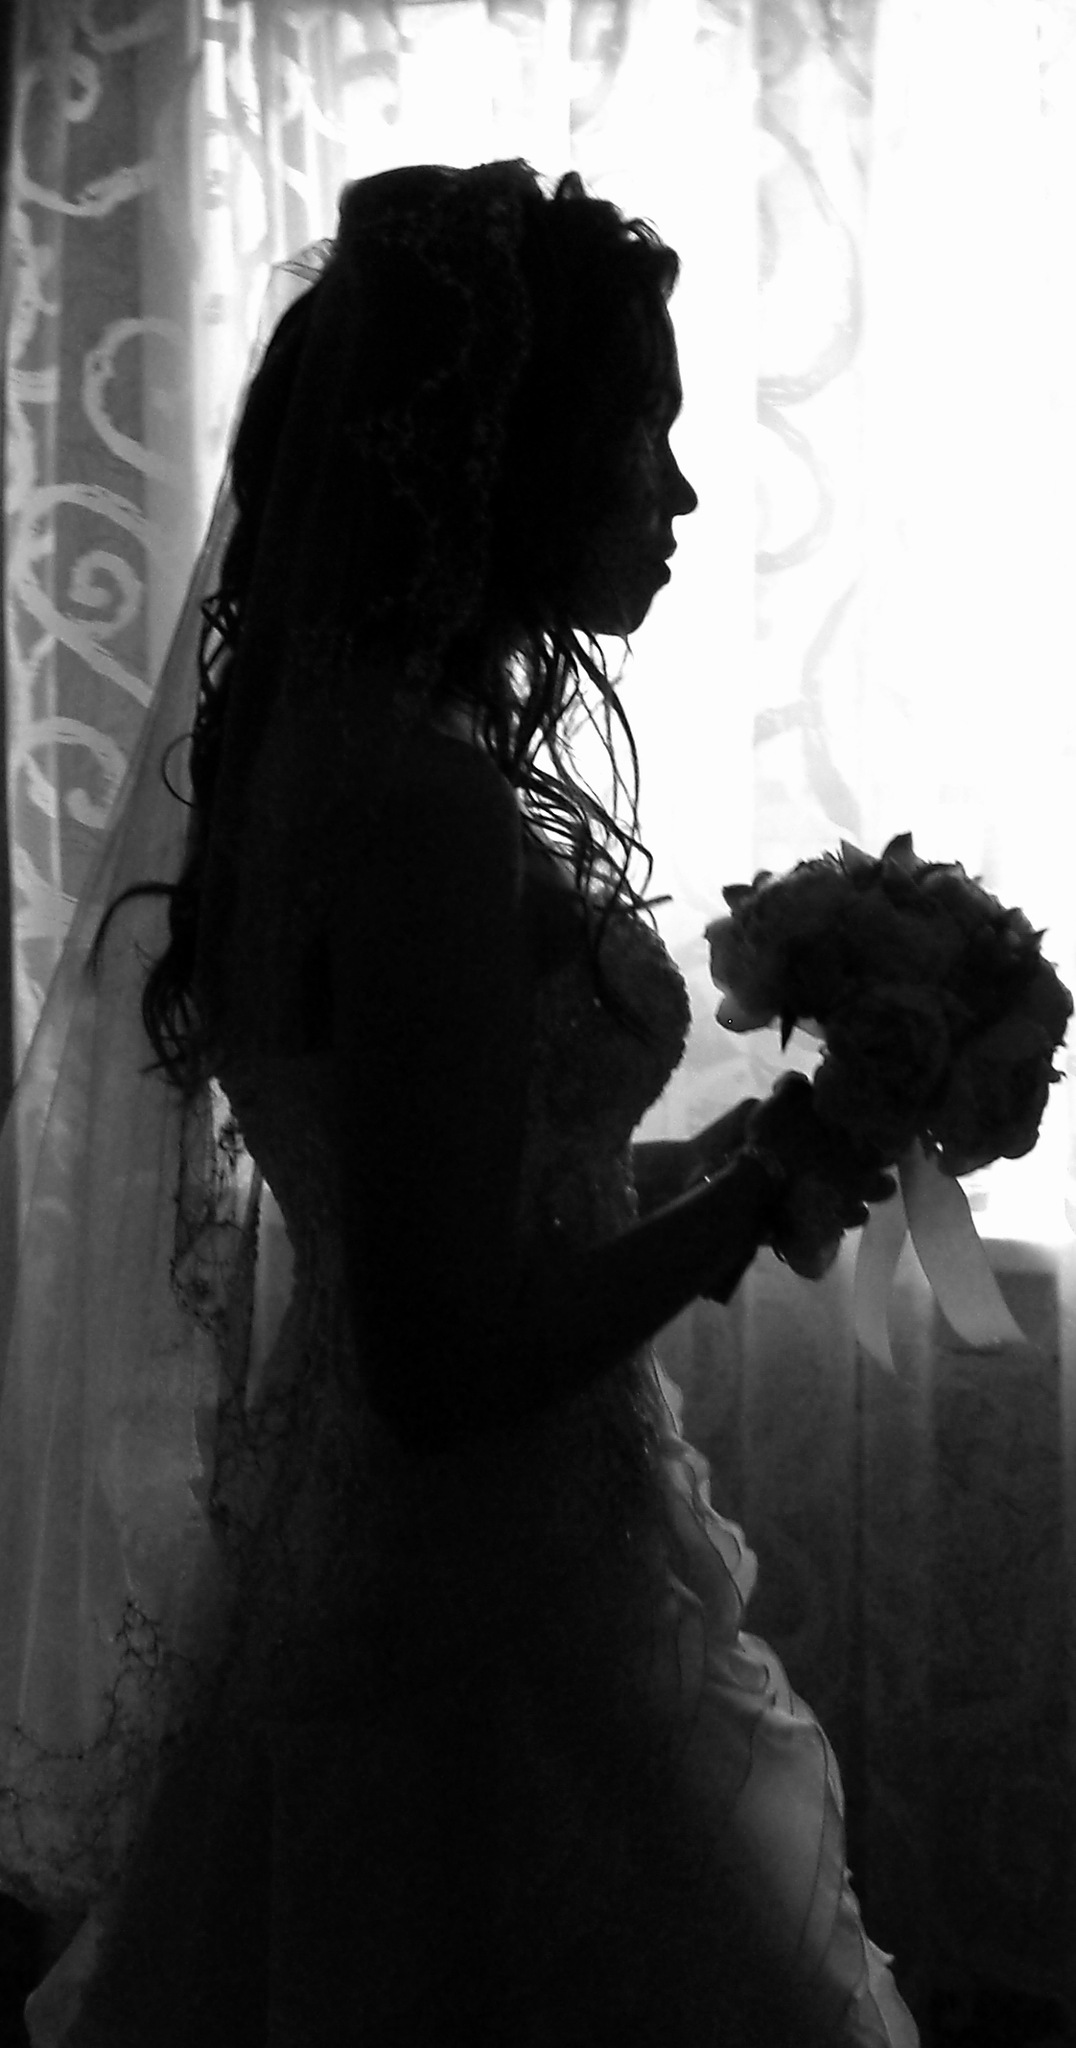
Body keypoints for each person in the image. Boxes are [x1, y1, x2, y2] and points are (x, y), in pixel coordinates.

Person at [15, 161, 917, 2045]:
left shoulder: (341, 760)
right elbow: (442, 1362)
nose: (677, 493)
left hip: (400, 1562)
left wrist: (720, 1160)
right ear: (510, 455)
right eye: (643, 429)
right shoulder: (423, 814)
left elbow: (463, 1205)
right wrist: (755, 1196)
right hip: (482, 1602)